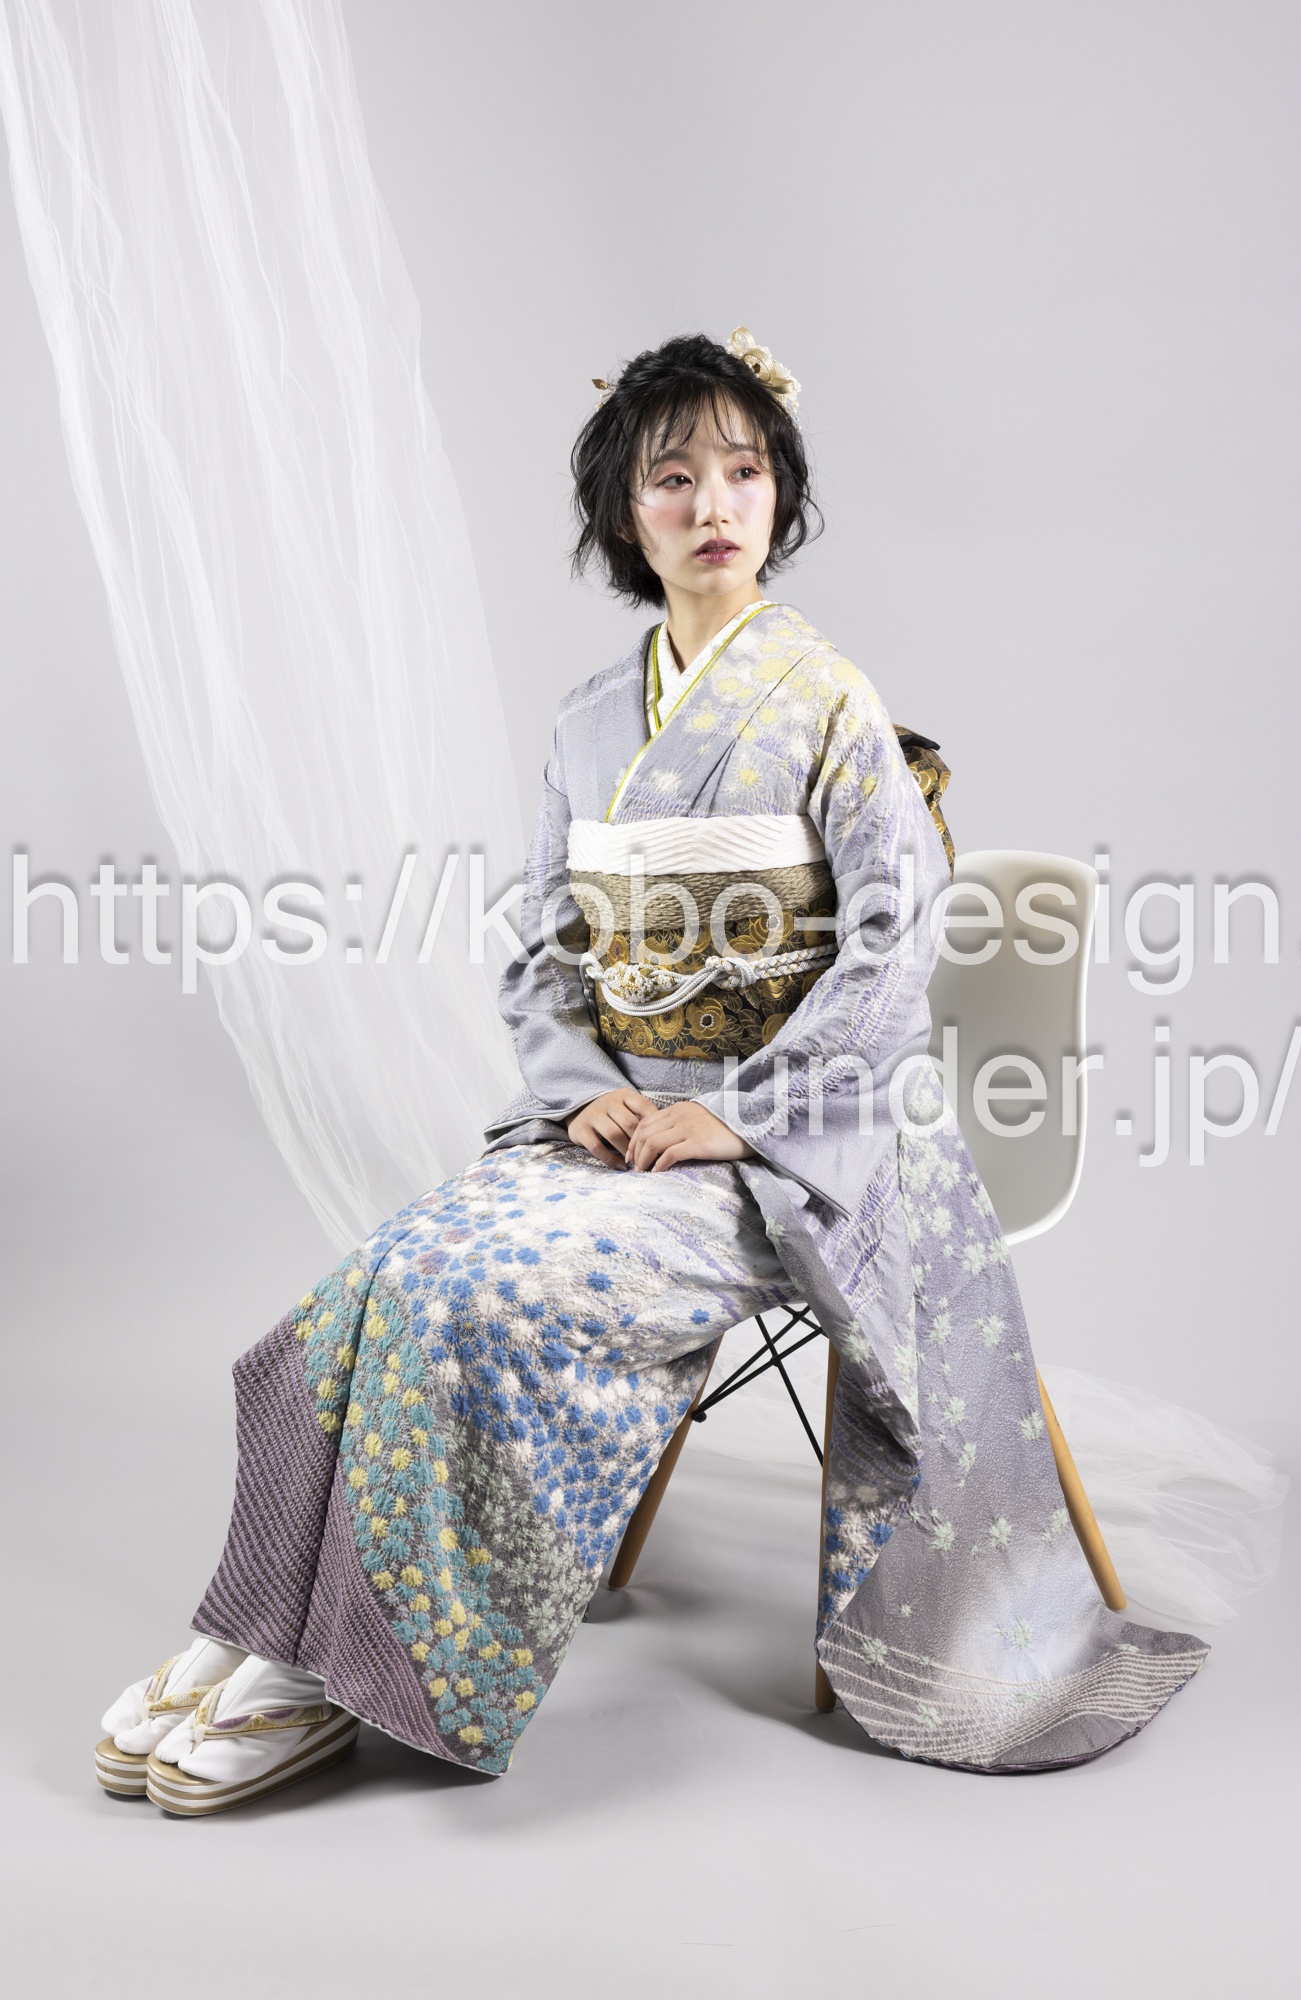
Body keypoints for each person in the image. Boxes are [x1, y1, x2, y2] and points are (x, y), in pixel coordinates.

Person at [96, 328, 1206, 1816]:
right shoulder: (585, 721)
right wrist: (580, 1091)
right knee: (383, 1275)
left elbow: (891, 958)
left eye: (742, 472)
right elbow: (544, 948)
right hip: (621, 1125)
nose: (712, 505)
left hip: (798, 1137)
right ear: (627, 512)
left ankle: (343, 1670)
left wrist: (733, 1114)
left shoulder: (829, 705)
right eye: (673, 477)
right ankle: (258, 1624)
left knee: (482, 1301)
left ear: (778, 496)